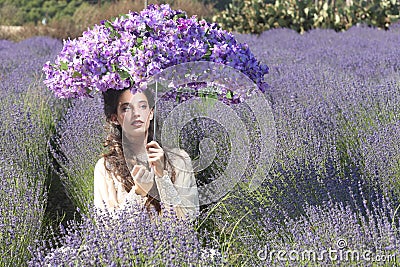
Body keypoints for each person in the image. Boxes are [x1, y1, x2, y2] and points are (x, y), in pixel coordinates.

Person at [93, 88, 199, 221]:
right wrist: (138, 192)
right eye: (126, 108)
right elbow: (106, 229)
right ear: (115, 118)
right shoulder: (106, 168)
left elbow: (187, 219)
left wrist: (162, 177)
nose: (136, 113)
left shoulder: (179, 159)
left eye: (142, 106)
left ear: (151, 113)